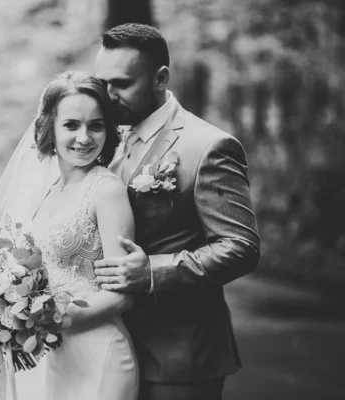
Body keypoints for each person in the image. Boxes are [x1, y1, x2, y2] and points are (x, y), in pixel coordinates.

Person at [92, 23, 260, 400]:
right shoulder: (105, 140)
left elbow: (240, 247)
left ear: (160, 78)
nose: (107, 95)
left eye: (120, 83)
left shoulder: (209, 147)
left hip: (179, 357)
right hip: (112, 349)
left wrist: (152, 271)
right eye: (101, 83)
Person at [0, 71, 140, 400]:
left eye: (95, 125)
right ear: (50, 126)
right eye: (71, 125)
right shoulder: (39, 187)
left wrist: (61, 319)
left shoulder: (106, 191)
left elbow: (124, 294)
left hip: (94, 354)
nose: (84, 137)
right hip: (37, 355)